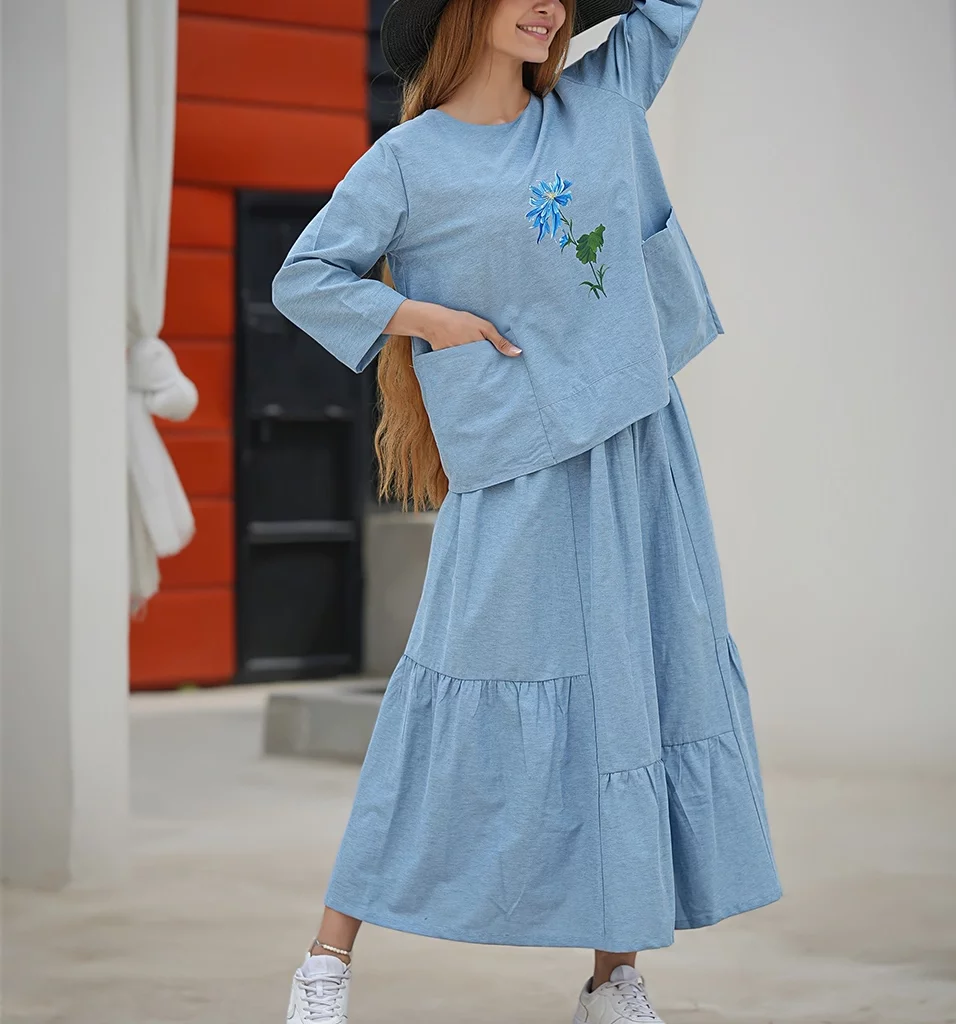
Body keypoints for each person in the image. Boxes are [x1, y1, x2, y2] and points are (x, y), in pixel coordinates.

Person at [271, 0, 782, 1020]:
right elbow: (306, 276)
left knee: (631, 689)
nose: (548, 7)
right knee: (450, 689)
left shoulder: (603, 98)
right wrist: (422, 318)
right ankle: (327, 959)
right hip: (516, 465)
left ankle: (613, 976)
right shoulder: (407, 162)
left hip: (636, 449)